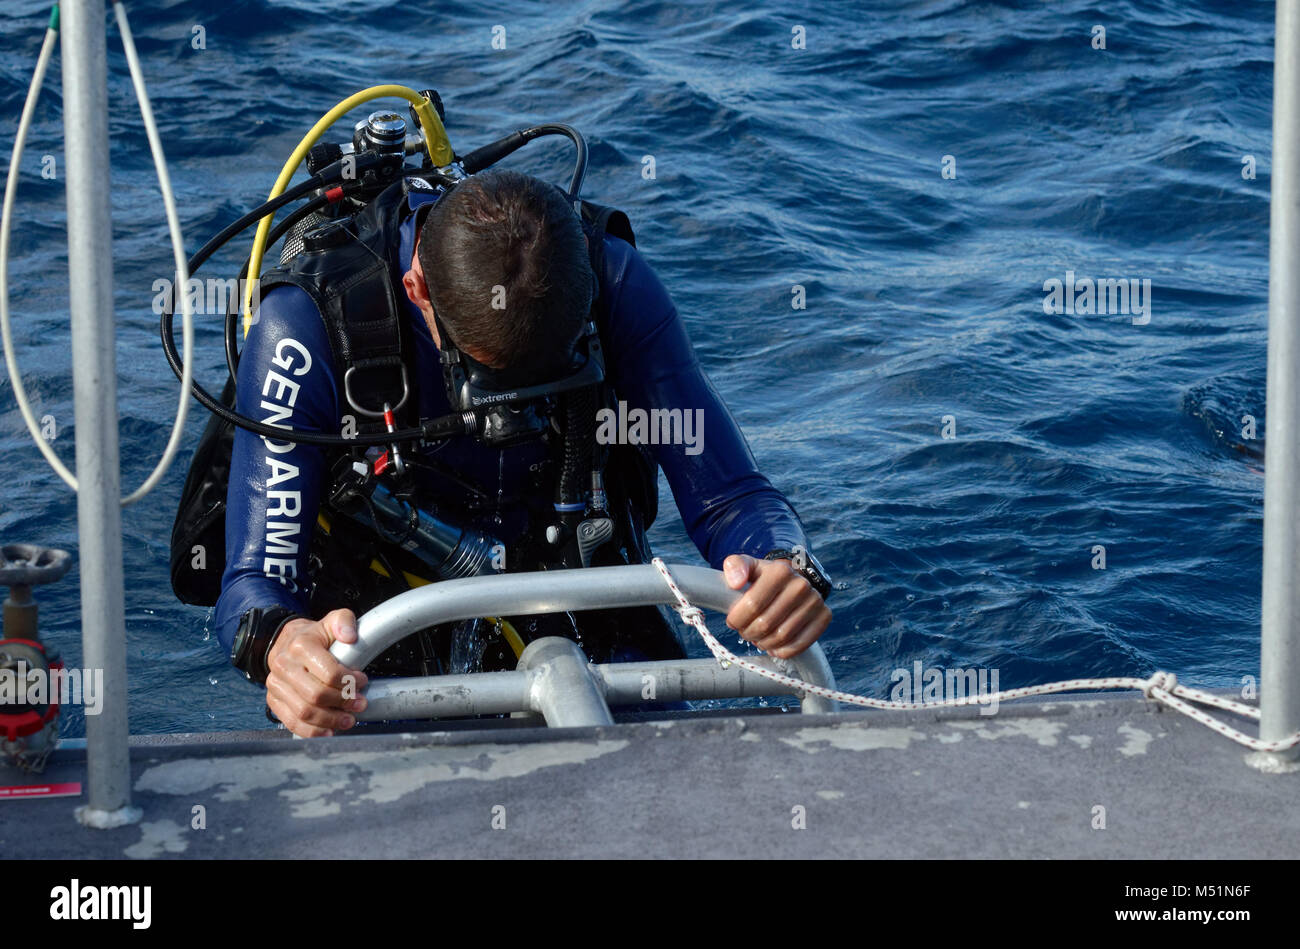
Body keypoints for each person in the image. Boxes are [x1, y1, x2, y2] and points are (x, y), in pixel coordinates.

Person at [214, 167, 832, 737]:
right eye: (489, 384)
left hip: (584, 583)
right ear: (418, 289)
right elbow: (257, 580)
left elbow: (728, 494)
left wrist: (781, 566)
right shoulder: (306, 325)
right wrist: (285, 644)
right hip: (384, 621)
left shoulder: (614, 280)